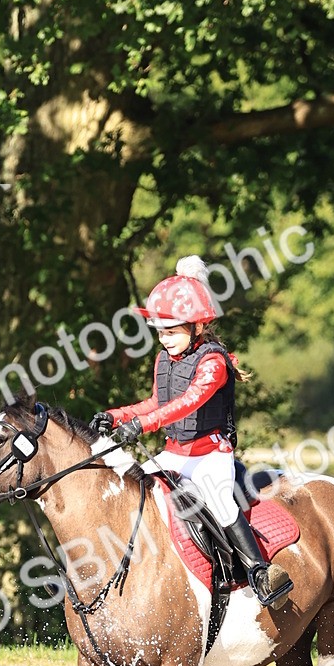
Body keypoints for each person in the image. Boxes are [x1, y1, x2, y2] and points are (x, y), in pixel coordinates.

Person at [90, 256, 292, 609]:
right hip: (174, 453)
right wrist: (116, 416)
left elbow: (187, 403)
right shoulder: (164, 360)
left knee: (219, 503)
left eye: (171, 331)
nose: (163, 339)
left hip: (211, 456)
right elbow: (156, 402)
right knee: (131, 496)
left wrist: (142, 425)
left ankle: (260, 572)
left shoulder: (214, 363)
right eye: (160, 332)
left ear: (197, 327)